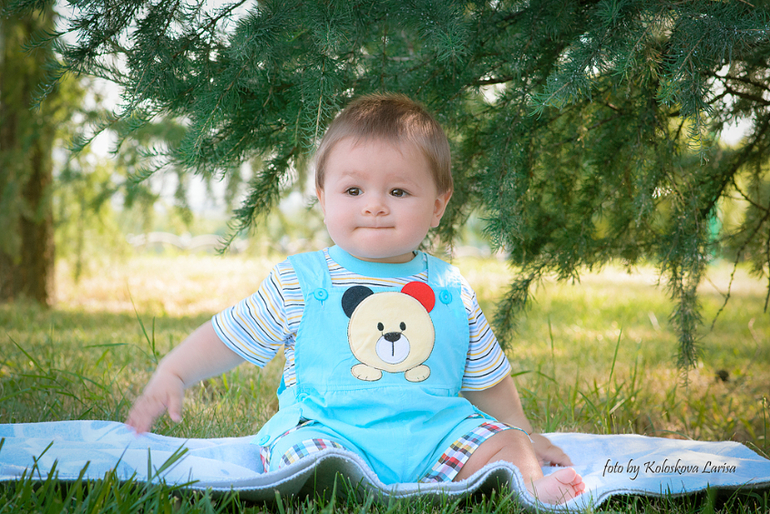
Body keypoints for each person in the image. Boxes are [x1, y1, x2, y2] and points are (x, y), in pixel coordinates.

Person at [126, 93, 585, 504]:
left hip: (436, 436)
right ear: (323, 198)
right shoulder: (300, 280)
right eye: (353, 190)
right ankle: (335, 481)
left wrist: (525, 433)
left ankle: (529, 487)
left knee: (507, 444)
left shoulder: (450, 287)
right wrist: (175, 371)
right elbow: (230, 336)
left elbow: (486, 379)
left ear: (437, 206)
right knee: (305, 454)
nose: (374, 205)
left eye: (398, 191)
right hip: (332, 430)